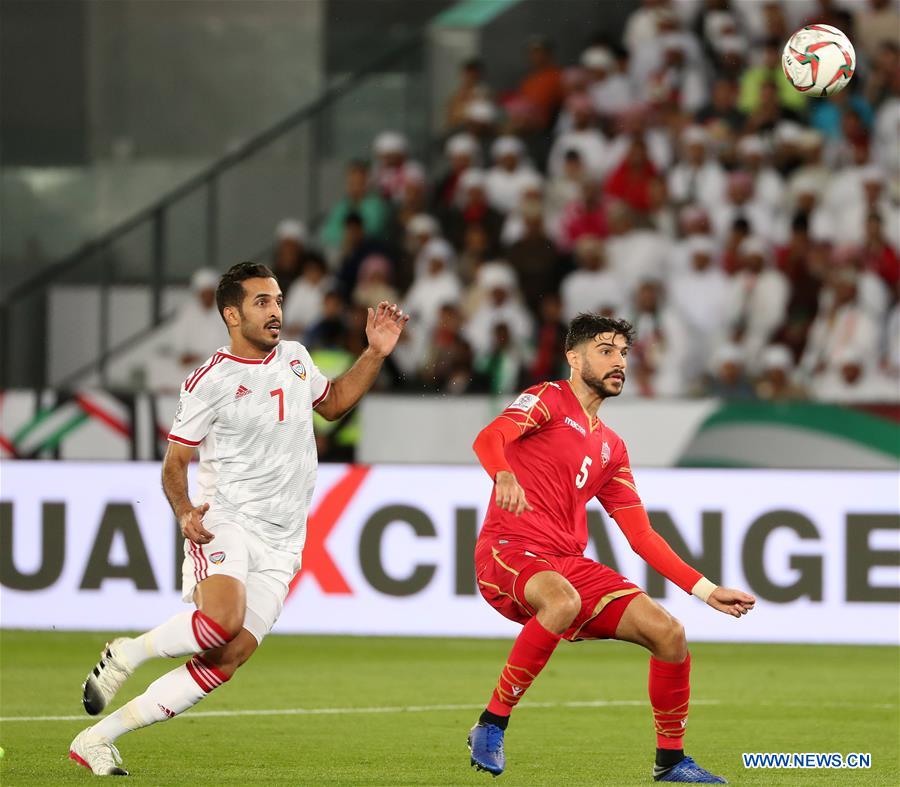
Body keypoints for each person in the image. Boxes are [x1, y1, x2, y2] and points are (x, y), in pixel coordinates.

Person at [69, 262, 408, 776]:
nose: (276, 312)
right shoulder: (209, 381)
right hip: (225, 519)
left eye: (278, 301)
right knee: (221, 622)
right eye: (262, 302)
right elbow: (175, 463)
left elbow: (335, 402)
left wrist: (375, 353)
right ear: (232, 314)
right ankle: (127, 653)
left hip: (284, 538)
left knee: (226, 658)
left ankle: (97, 738)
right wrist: (185, 511)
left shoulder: (296, 358)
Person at [466, 314, 755, 782]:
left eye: (623, 353)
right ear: (573, 357)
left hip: (566, 564)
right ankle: (492, 723)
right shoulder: (546, 399)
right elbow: (489, 437)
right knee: (562, 600)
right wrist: (503, 473)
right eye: (605, 351)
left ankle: (670, 761)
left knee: (669, 634)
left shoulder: (611, 448)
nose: (618, 361)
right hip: (509, 550)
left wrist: (705, 590)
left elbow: (641, 536)